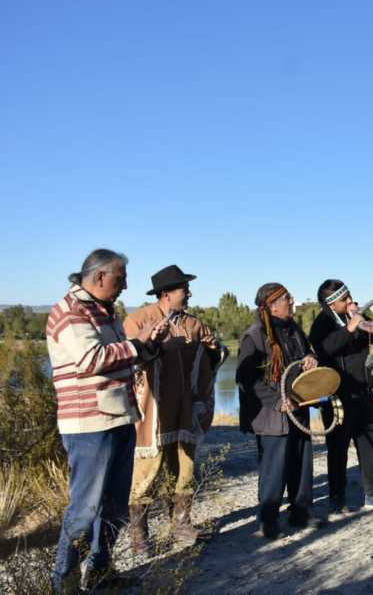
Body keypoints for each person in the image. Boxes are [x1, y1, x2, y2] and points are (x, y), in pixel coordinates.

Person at [47, 249, 164, 593]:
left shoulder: (104, 312)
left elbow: (118, 360)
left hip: (118, 418)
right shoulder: (70, 311)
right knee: (84, 510)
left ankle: (100, 572)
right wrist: (134, 346)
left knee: (113, 507)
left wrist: (144, 349)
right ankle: (63, 583)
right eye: (120, 279)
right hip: (89, 426)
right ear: (99, 277)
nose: (125, 286)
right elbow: (90, 359)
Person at [123, 265, 226, 554]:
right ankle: (139, 537)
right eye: (184, 289)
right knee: (146, 470)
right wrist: (158, 343)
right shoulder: (138, 320)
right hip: (152, 411)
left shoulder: (194, 324)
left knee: (184, 467)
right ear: (166, 294)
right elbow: (133, 359)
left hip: (185, 409)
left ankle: (181, 525)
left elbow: (213, 354)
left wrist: (213, 349)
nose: (189, 293)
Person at [308, 279, 373, 514]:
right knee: (338, 450)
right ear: (330, 304)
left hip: (363, 391)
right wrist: (349, 329)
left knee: (370, 446)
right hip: (337, 396)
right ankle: (337, 499)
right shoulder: (321, 324)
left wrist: (363, 317)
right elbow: (324, 350)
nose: (349, 301)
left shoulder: (355, 316)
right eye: (344, 299)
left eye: (349, 296)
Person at [236, 283, 318, 539]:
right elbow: (245, 379)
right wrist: (276, 401)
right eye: (286, 298)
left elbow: (308, 354)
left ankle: (300, 513)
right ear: (271, 305)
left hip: (298, 407)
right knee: (274, 469)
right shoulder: (254, 336)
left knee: (301, 463)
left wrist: (312, 359)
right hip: (272, 415)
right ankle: (268, 521)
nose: (292, 301)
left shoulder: (294, 329)